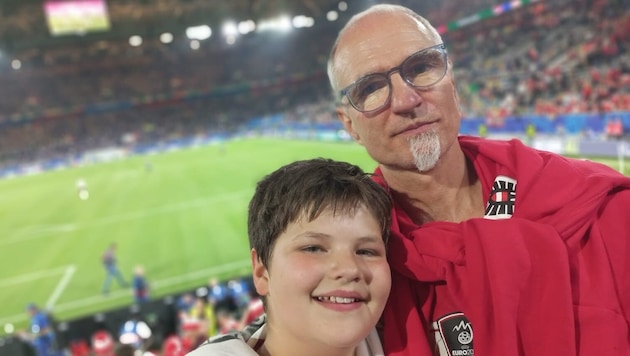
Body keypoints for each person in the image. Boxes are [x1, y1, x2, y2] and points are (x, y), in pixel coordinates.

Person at [326, 4, 630, 356]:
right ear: (349, 125)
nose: (407, 100)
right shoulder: (353, 265)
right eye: (372, 88)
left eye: (422, 67)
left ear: (451, 79)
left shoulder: (600, 208)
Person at [188, 158, 393, 355]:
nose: (349, 268)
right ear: (262, 273)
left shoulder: (406, 338)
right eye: (313, 248)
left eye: (367, 251)